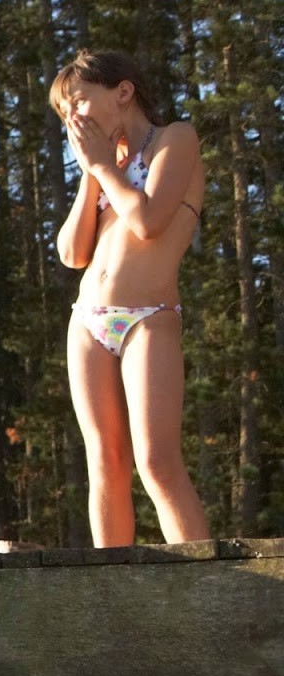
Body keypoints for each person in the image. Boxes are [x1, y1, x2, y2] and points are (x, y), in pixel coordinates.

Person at [52, 49, 210, 546]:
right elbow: (72, 253)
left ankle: (202, 591)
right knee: (106, 465)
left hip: (149, 317)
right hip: (88, 322)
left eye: (78, 101)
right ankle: (111, 599)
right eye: (65, 112)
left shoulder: (174, 140)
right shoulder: (105, 167)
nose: (73, 117)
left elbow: (147, 221)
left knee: (157, 462)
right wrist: (91, 171)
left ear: (122, 91)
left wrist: (104, 165)